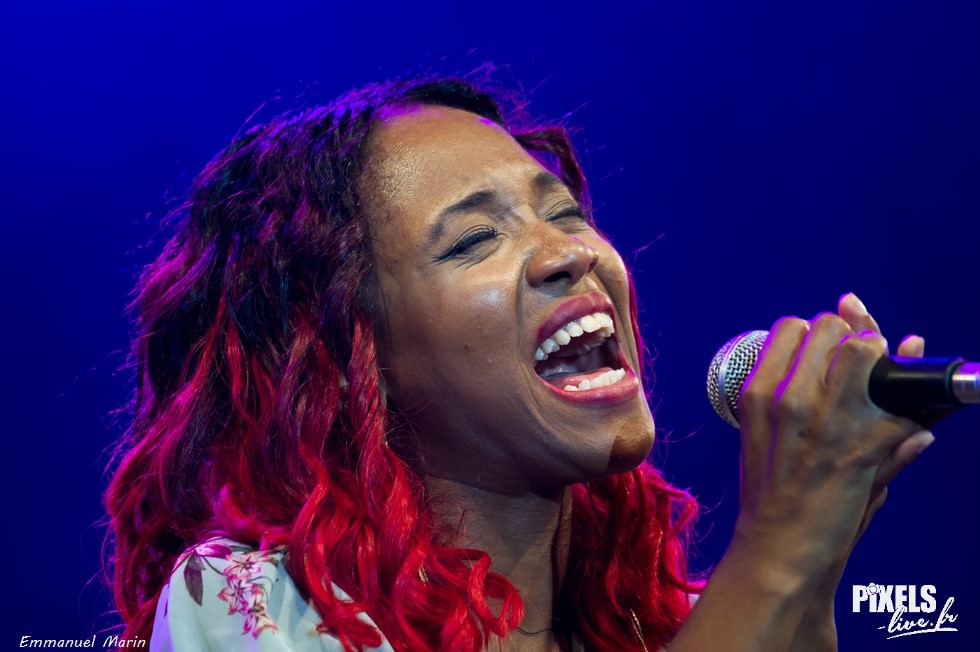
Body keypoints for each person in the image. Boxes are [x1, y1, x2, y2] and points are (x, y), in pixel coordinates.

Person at [105, 73, 934, 652]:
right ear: (346, 359)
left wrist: (814, 552)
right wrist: (782, 542)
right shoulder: (251, 612)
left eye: (564, 213)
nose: (569, 252)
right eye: (474, 239)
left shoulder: (676, 628)